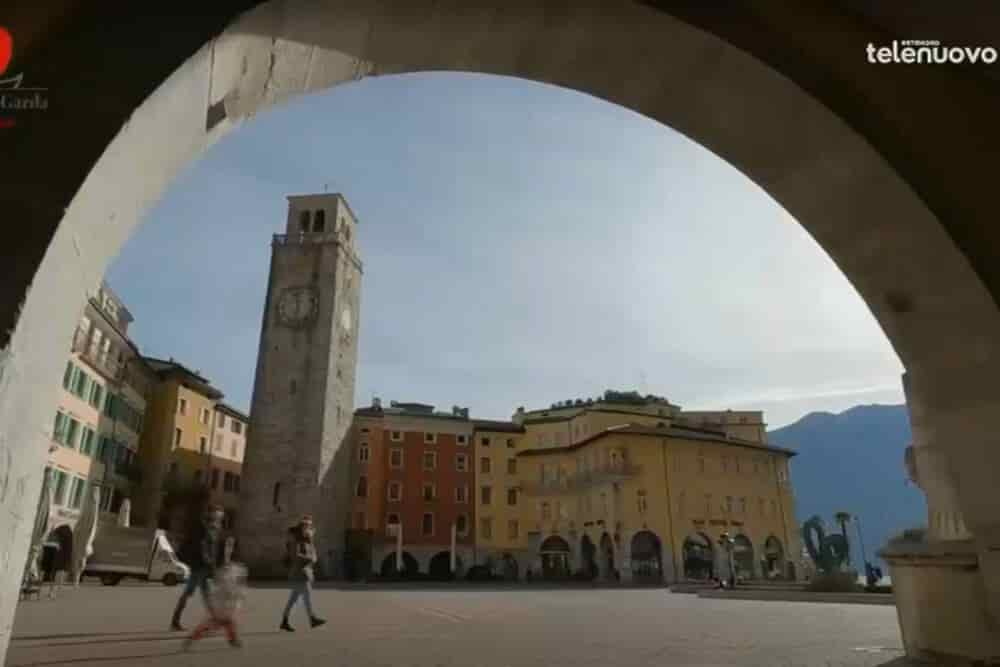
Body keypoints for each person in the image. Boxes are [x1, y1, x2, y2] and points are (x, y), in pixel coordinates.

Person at [171, 506, 224, 631]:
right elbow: (205, 549)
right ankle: (175, 621)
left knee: (206, 595)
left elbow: (210, 549)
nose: (220, 519)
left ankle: (212, 621)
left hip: (202, 568)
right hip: (200, 567)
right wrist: (211, 563)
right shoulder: (206, 530)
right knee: (190, 594)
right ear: (213, 517)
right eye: (219, 516)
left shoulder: (210, 530)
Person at [183, 562, 247, 650]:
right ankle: (192, 639)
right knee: (217, 624)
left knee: (227, 624)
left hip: (221, 607)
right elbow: (227, 591)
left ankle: (233, 640)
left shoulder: (227, 576)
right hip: (221, 608)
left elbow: (226, 590)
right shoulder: (228, 578)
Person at [280, 515, 326, 632]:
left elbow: (309, 550)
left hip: (303, 572)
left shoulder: (304, 540)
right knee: (307, 596)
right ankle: (312, 619)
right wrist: (310, 558)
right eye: (307, 526)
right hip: (299, 572)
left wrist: (311, 546)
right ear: (302, 527)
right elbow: (295, 556)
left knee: (294, 599)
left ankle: (285, 621)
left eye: (310, 526)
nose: (309, 528)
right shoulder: (296, 540)